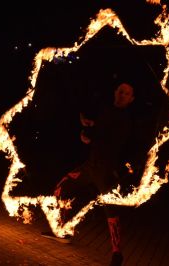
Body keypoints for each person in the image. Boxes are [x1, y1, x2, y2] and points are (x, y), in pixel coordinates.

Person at [42, 82, 136, 266]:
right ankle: (63, 230)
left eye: (126, 94)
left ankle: (117, 254)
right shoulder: (108, 111)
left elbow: (111, 141)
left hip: (106, 171)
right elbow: (100, 127)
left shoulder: (125, 120)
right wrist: (90, 124)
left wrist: (91, 137)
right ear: (115, 92)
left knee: (111, 210)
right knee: (61, 188)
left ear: (131, 99)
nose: (122, 95)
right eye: (120, 91)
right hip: (90, 167)